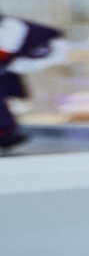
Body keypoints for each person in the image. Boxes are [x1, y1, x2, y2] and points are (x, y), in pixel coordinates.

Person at [0, 13, 62, 153]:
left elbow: (6, 50)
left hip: (37, 54)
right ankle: (6, 131)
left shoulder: (11, 26)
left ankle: (5, 131)